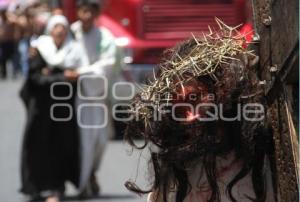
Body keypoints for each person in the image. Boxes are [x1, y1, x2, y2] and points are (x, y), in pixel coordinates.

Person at [124, 20, 277, 202]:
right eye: (181, 110)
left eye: (194, 99)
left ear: (223, 92)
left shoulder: (260, 163)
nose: (190, 117)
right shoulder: (176, 175)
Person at [20, 15, 88, 202]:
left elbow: (80, 75)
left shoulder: (73, 50)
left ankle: (56, 188)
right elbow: (35, 78)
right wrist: (62, 77)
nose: (59, 31)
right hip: (40, 110)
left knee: (62, 147)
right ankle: (37, 189)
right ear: (50, 30)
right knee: (38, 148)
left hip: (63, 110)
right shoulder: (40, 48)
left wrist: (52, 74)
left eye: (63, 27)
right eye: (56, 27)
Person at [70, 0, 120, 196]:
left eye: (91, 12)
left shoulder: (104, 37)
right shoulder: (70, 33)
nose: (87, 16)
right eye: (84, 11)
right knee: (85, 142)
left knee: (100, 141)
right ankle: (83, 186)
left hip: (98, 96)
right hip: (76, 97)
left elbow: (107, 64)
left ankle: (91, 172)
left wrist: (82, 73)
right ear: (78, 12)